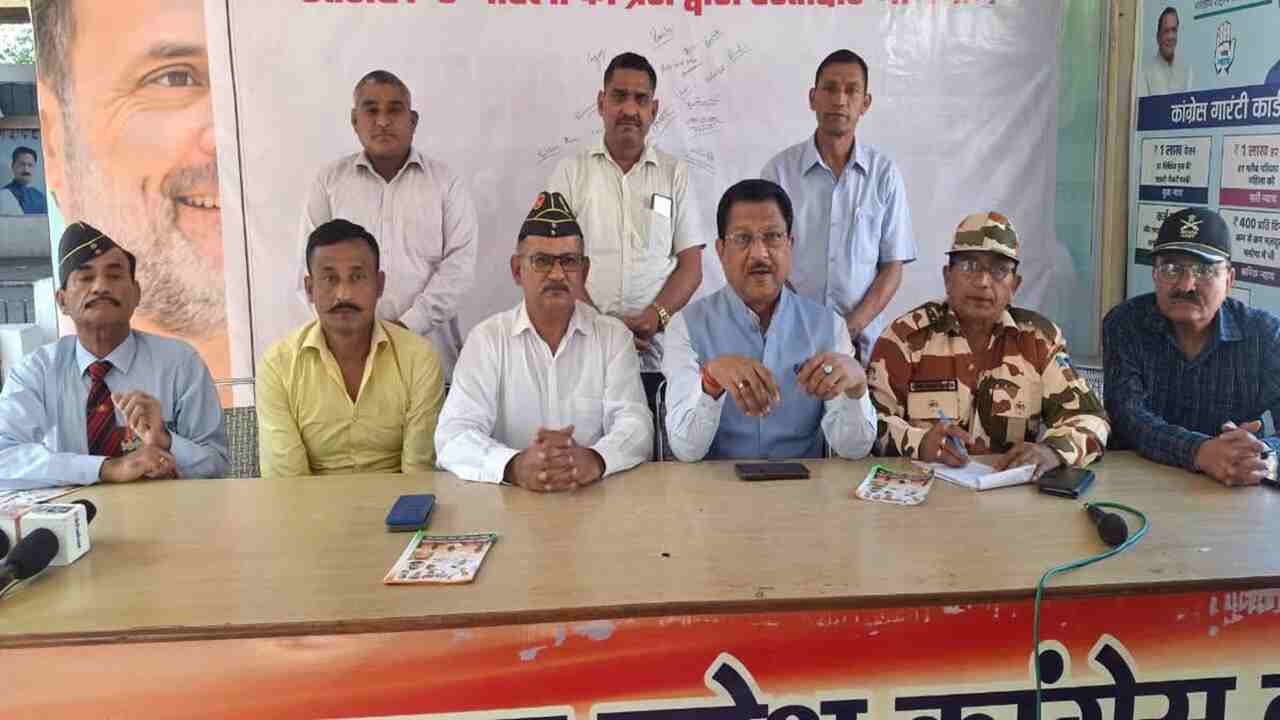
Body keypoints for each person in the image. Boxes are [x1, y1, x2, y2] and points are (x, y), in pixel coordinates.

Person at [32, 0, 231, 379]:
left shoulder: (291, 377)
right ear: (55, 139)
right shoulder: (38, 382)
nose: (231, 136)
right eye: (174, 78)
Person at [435, 192, 653, 491]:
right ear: (517, 270)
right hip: (508, 503)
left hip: (594, 500)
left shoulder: (612, 337)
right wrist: (514, 466)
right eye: (542, 261)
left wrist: (596, 459)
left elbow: (636, 424)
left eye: (569, 261)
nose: (557, 274)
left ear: (585, 271)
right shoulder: (487, 340)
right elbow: (452, 435)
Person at [867, 211, 1108, 479]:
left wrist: (1052, 451)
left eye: (999, 270)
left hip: (1008, 493)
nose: (982, 282)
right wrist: (920, 443)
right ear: (947, 277)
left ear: (1014, 286)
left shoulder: (1038, 340)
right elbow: (868, 425)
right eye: (969, 266)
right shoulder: (906, 337)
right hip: (925, 491)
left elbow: (1091, 418)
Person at [0, 222, 228, 489]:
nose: (100, 286)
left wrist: (166, 440)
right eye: (85, 277)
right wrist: (107, 468)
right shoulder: (37, 370)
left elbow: (219, 466)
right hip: (76, 513)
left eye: (115, 275)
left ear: (137, 294)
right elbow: (4, 456)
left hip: (169, 511)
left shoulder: (180, 363)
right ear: (62, 301)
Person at [663, 179, 876, 462]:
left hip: (804, 485)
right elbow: (685, 450)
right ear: (721, 250)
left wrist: (856, 389)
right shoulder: (686, 326)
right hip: (716, 486)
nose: (759, 254)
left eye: (773, 236)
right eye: (742, 238)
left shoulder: (828, 326)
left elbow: (854, 449)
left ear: (790, 245)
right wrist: (711, 382)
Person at [547, 51, 705, 405]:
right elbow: (555, 262)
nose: (629, 109)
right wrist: (602, 327)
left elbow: (692, 266)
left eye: (641, 99)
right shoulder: (570, 173)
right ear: (601, 102)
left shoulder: (674, 174)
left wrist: (655, 316)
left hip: (658, 355)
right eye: (619, 96)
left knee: (658, 436)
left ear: (654, 109)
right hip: (585, 351)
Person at [298, 70, 477, 379]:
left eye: (394, 110)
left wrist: (406, 327)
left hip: (429, 358)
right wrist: (352, 338)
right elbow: (311, 268)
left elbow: (459, 269)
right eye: (371, 110)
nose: (382, 121)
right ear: (355, 120)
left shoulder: (445, 183)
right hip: (349, 364)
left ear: (413, 120)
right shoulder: (329, 182)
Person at [1104, 207, 1280, 487]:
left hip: (1232, 491)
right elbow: (1127, 415)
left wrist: (1261, 451)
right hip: (1138, 482)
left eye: (1204, 270)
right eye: (1171, 269)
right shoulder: (1126, 323)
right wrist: (1199, 452)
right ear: (1155, 274)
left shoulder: (1265, 335)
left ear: (1229, 280)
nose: (1186, 285)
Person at [258, 219, 444, 477]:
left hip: (398, 501)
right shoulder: (278, 365)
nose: (343, 294)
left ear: (379, 285)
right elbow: (288, 482)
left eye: (357, 277)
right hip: (309, 502)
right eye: (330, 278)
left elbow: (418, 474)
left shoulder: (418, 358)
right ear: (310, 289)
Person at [762, 49, 916, 362]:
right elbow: (765, 257)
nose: (840, 100)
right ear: (812, 98)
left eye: (851, 90)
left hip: (862, 347)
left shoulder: (884, 175)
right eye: (830, 89)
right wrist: (806, 325)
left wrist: (850, 328)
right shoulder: (779, 173)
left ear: (865, 103)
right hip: (791, 338)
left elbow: (892, 267)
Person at [1143, 6, 1192, 96]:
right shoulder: (1145, 74)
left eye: (1174, 30)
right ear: (1158, 37)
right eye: (1166, 31)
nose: (1170, 36)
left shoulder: (1187, 72)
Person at [3, 147, 48, 215]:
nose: (26, 170)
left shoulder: (40, 197)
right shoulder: (3, 195)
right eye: (22, 164)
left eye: (30, 165)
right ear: (13, 166)